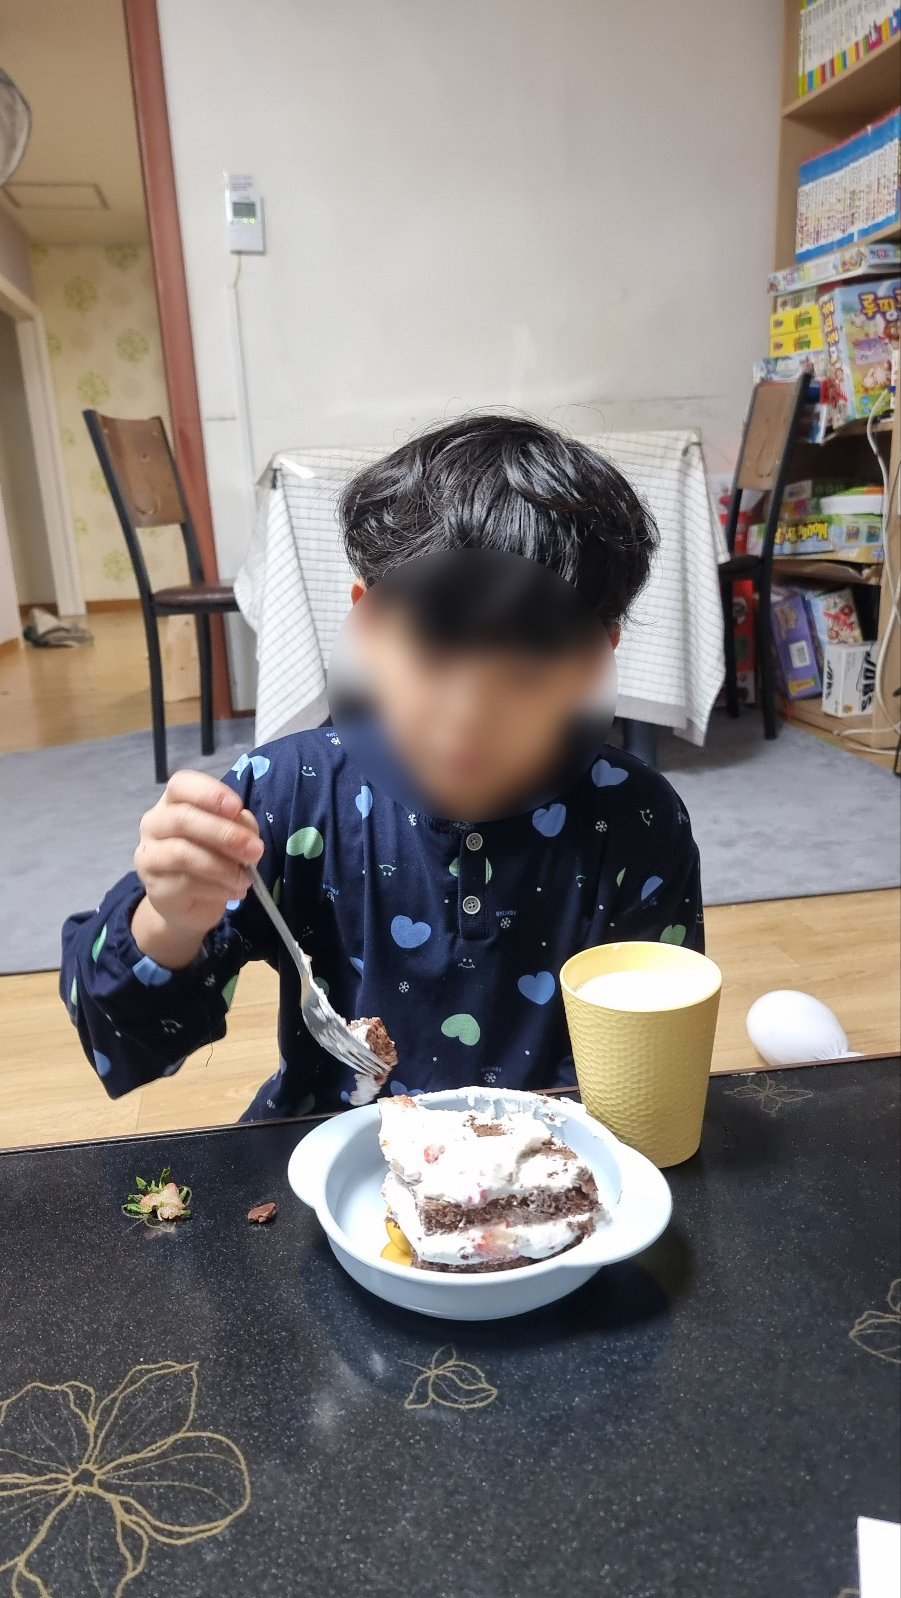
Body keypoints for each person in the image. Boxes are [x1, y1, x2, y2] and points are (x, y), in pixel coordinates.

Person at [60, 415, 703, 1119]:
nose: (465, 716)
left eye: (522, 675)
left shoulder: (636, 819)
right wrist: (170, 921)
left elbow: (648, 1060)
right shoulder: (289, 794)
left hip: (557, 1161)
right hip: (333, 1150)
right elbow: (123, 1039)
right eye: (432, 659)